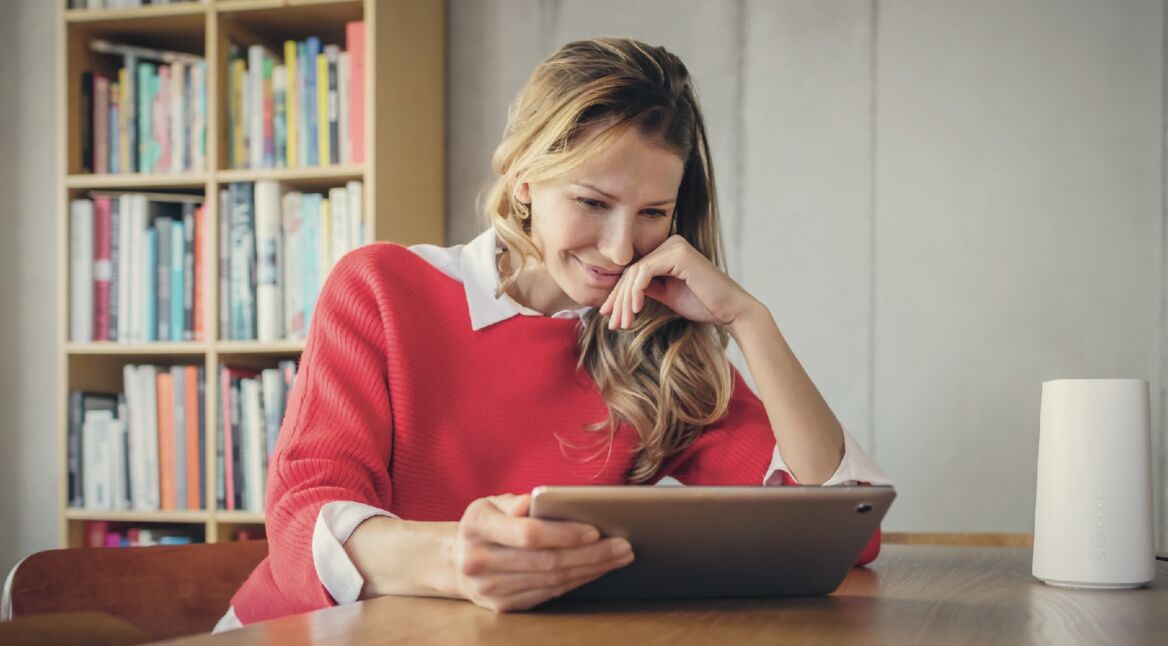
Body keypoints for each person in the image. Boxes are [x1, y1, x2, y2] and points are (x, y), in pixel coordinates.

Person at [215, 36, 889, 630]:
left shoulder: (653, 348)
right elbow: (303, 525)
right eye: (593, 203)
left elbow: (844, 532)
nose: (622, 248)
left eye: (653, 212)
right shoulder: (383, 287)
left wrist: (750, 321)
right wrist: (457, 559)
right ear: (525, 178)